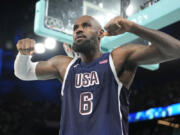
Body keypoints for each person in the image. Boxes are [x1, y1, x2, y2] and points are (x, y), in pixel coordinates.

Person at [14, 16, 180, 135]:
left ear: (100, 33)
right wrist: (23, 54)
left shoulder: (118, 58)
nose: (78, 29)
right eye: (75, 28)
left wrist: (132, 27)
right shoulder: (64, 65)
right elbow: (24, 72)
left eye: (85, 25)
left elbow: (175, 49)